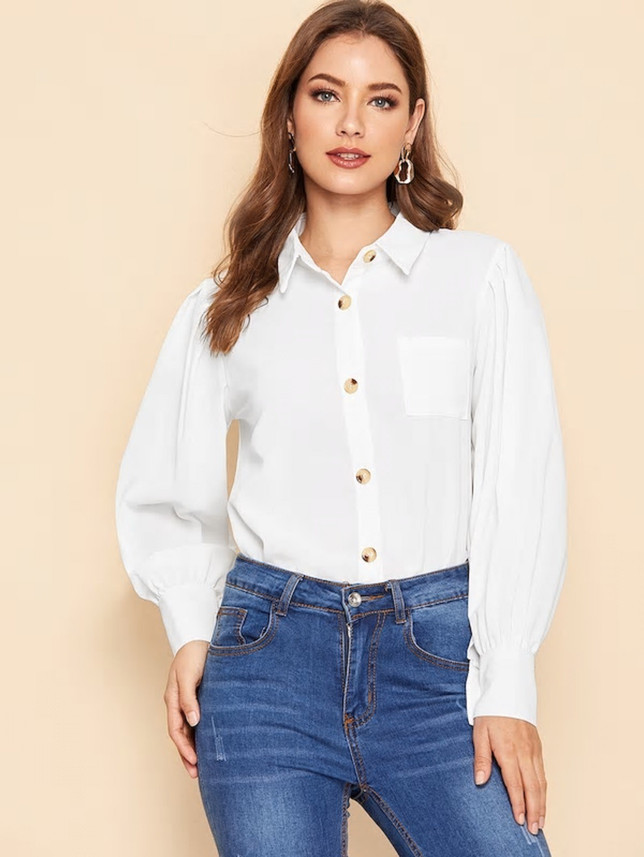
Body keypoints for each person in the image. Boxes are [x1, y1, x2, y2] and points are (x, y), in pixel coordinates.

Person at [114, 1, 567, 854]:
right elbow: (166, 487)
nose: (352, 122)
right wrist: (191, 625)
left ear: (413, 123)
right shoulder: (228, 303)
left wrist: (507, 680)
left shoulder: (479, 279)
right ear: (289, 114)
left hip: (441, 665)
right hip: (266, 671)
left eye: (381, 100)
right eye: (326, 94)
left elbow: (520, 483)